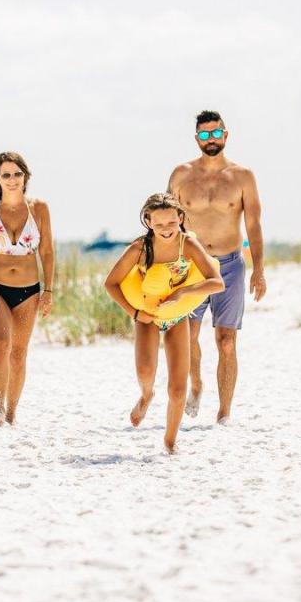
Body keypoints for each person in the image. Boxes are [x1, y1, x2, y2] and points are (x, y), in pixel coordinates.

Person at [103, 193, 224, 453]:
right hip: (147, 315)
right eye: (159, 225)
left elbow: (217, 282)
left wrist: (182, 294)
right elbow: (110, 284)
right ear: (148, 222)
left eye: (171, 222)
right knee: (146, 372)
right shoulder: (140, 248)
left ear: (180, 218)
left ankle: (170, 441)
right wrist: (135, 314)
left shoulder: (187, 244)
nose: (166, 229)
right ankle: (146, 396)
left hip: (177, 315)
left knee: (178, 389)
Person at [168, 110, 267, 425]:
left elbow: (254, 224)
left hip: (230, 265)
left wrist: (259, 270)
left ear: (226, 135)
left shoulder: (243, 177)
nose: (210, 139)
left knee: (226, 339)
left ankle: (224, 413)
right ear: (196, 138)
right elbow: (166, 222)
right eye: (205, 134)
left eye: (216, 133)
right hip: (191, 265)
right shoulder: (181, 175)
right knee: (188, 334)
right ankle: (196, 384)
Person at [0, 152, 55, 426]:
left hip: (29, 290)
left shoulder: (39, 209)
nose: (13, 179)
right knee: (1, 344)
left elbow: (48, 251)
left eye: (17, 174)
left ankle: (13, 412)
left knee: (19, 353)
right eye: (6, 175)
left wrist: (49, 290)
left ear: (25, 176)